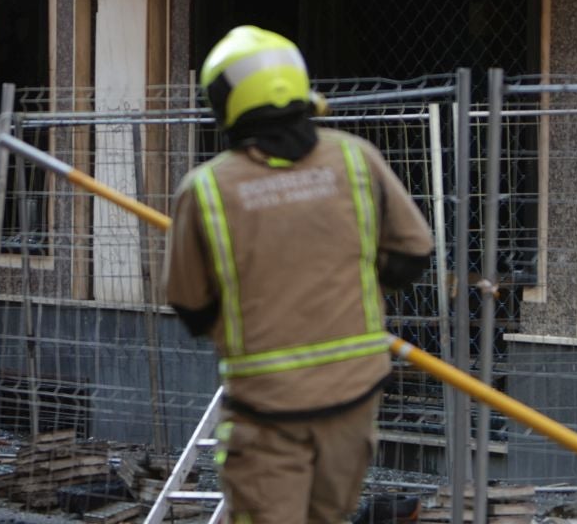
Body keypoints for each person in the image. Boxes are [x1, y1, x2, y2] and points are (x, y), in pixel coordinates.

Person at [165, 27, 435, 524]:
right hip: (353, 398)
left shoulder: (205, 191)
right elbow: (414, 252)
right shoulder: (354, 158)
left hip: (267, 407)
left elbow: (191, 307)